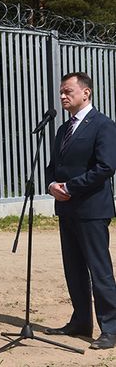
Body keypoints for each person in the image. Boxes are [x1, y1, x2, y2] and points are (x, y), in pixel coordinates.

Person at [44, 72, 116, 350]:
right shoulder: (63, 129)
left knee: (99, 270)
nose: (63, 96)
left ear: (86, 93)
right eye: (61, 91)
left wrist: (71, 187)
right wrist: (51, 185)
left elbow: (106, 166)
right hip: (67, 208)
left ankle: (110, 328)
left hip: (91, 208)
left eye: (68, 91)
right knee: (73, 269)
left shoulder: (103, 125)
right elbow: (53, 165)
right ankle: (81, 321)